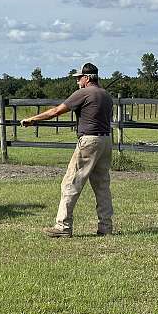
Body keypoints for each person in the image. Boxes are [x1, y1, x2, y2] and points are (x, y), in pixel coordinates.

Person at [20, 62, 115, 238]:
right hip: (106, 140)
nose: (77, 81)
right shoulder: (106, 95)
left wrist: (33, 120)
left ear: (87, 78)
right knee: (102, 186)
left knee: (71, 183)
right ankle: (106, 227)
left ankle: (63, 226)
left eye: (79, 78)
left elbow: (57, 111)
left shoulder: (83, 93)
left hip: (89, 141)